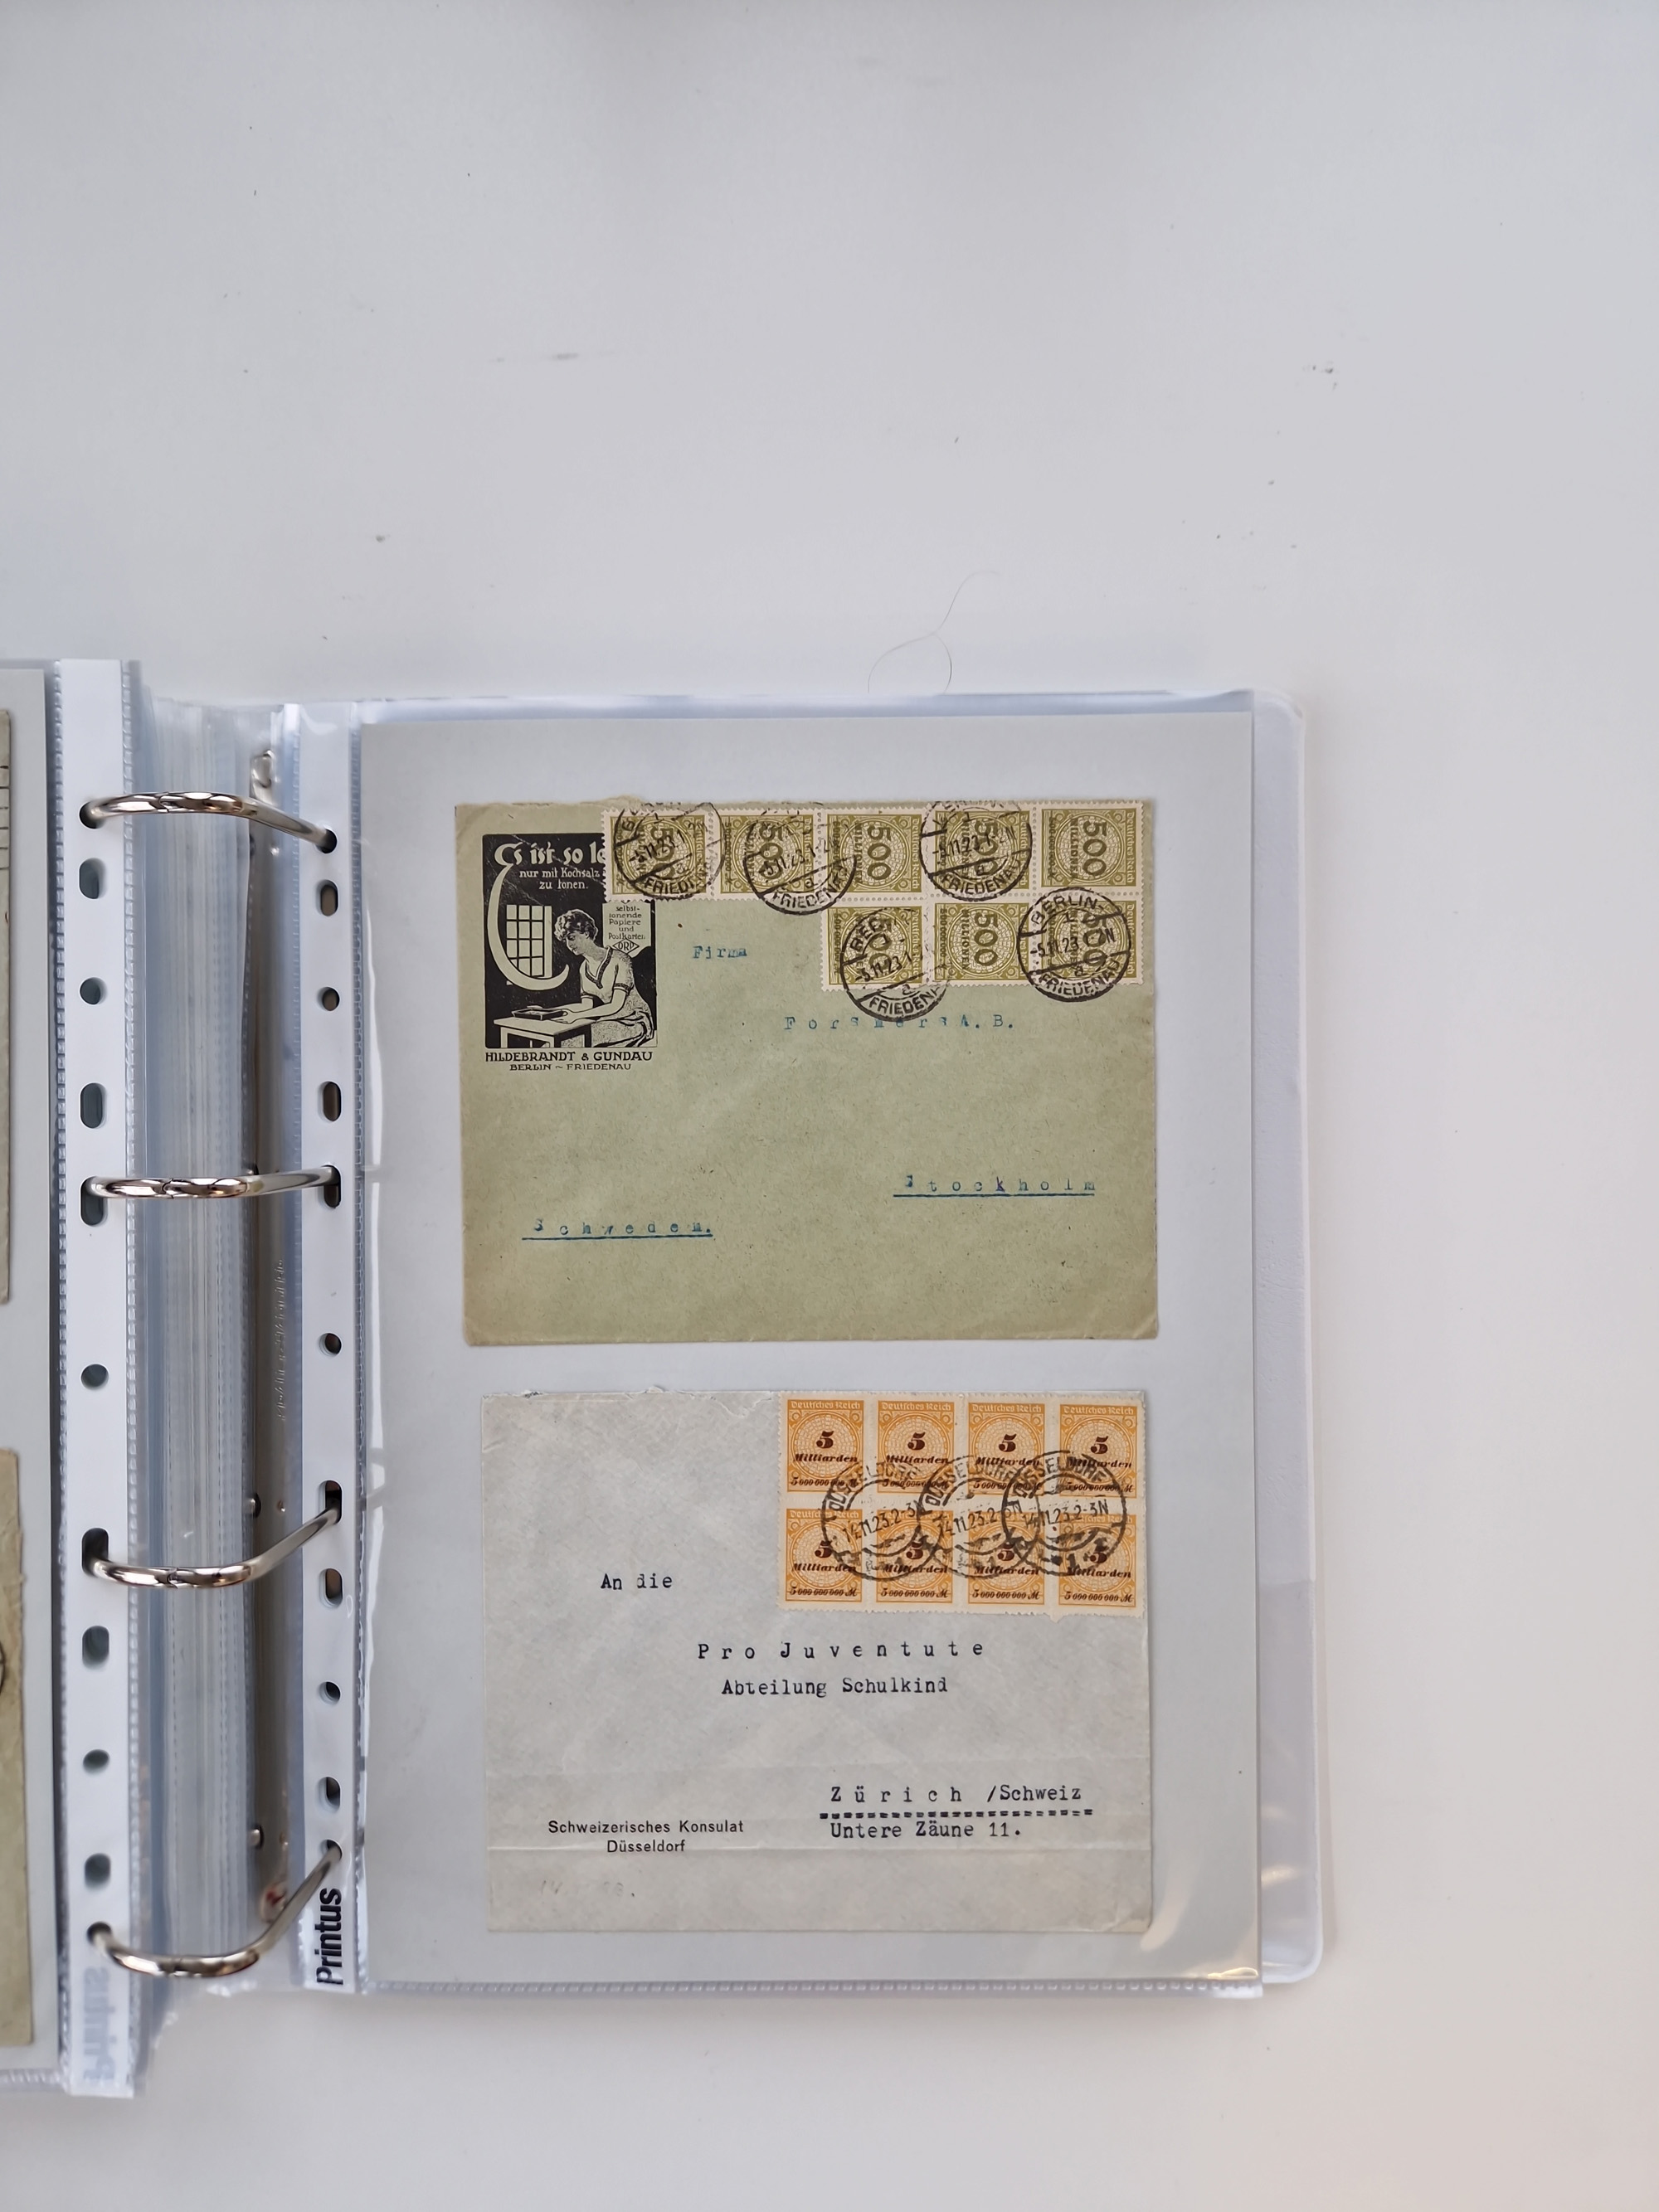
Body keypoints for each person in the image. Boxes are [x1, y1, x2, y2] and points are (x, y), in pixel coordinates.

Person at [537, 909, 654, 1048]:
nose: (568, 945)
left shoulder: (620, 959)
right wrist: (552, 1012)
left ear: (586, 933)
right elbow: (586, 1006)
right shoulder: (583, 968)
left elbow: (616, 1005)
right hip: (608, 1020)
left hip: (633, 1020)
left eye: (572, 937)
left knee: (575, 1042)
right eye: (565, 940)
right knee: (556, 1043)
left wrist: (576, 1016)